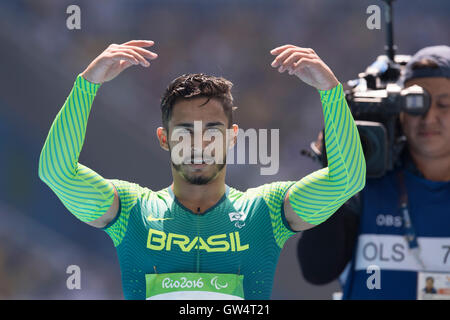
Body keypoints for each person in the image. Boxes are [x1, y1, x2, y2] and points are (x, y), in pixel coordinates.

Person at [38, 40, 366, 299]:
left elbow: (348, 179)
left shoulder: (265, 210)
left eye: (212, 132)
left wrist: (331, 92)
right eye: (184, 132)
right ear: (164, 139)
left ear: (232, 138)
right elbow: (57, 172)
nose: (198, 145)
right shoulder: (131, 209)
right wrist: (87, 85)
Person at [297, 45, 450, 300]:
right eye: (416, 104)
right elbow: (316, 270)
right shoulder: (362, 181)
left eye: (444, 105)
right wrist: (334, 173)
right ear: (399, 112)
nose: (428, 117)